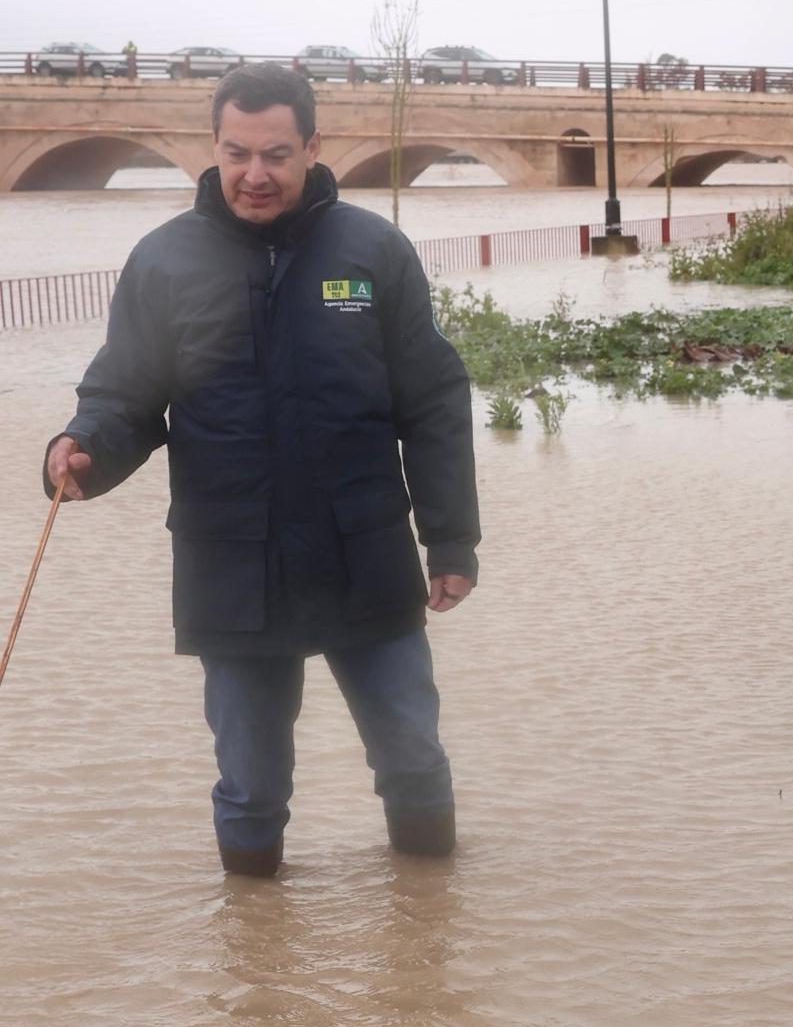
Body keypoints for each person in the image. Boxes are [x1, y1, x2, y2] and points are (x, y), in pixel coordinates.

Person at [43, 62, 480, 879]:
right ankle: (254, 977)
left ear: (313, 146)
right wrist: (83, 450)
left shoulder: (373, 250)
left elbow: (432, 401)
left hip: (366, 551)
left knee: (413, 758)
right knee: (250, 785)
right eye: (236, 152)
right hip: (232, 561)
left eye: (276, 153)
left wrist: (451, 540)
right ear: (212, 145)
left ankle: (431, 943)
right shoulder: (164, 262)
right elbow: (124, 396)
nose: (254, 174)